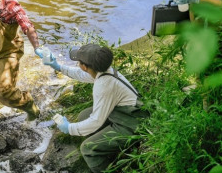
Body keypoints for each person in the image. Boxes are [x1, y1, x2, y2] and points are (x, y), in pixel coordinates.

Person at [44, 43, 149, 173]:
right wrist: (58, 67)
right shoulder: (104, 70)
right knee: (83, 116)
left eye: (79, 62)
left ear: (84, 66)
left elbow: (96, 121)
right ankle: (109, 148)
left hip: (133, 123)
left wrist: (69, 128)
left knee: (87, 149)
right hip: (124, 112)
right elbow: (81, 74)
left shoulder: (103, 85)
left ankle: (109, 167)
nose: (78, 65)